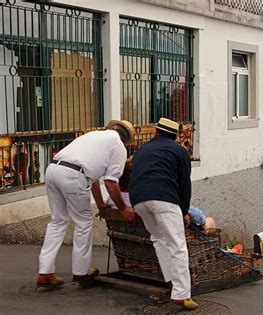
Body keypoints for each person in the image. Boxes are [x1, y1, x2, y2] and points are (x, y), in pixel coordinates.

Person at [37, 120, 136, 289]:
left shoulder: (93, 136)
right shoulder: (118, 146)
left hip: (53, 170)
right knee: (83, 222)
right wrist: (124, 208)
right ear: (127, 140)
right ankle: (81, 271)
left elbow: (94, 178)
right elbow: (111, 183)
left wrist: (100, 204)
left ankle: (45, 272)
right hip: (73, 176)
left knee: (57, 221)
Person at [128, 118, 198, 310]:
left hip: (139, 200)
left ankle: (171, 282)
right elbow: (184, 185)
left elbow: (133, 174)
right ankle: (182, 294)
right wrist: (183, 211)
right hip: (164, 198)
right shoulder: (180, 151)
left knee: (158, 239)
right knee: (177, 245)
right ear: (175, 136)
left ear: (157, 132)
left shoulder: (142, 149)